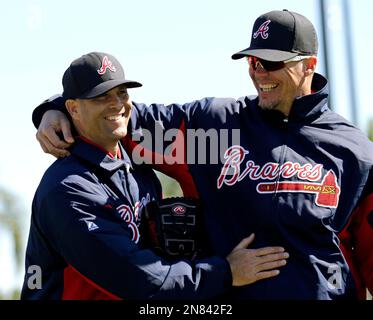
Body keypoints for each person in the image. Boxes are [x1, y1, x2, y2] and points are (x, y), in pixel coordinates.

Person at [32, 9, 373, 299]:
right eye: (253, 61)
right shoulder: (212, 129)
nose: (259, 73)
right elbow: (118, 117)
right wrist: (56, 108)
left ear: (308, 65)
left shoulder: (352, 152)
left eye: (272, 63)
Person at [22, 52, 289, 300]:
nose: (117, 104)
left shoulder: (137, 166)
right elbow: (135, 278)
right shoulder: (68, 188)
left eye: (122, 93)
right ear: (73, 108)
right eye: (101, 96)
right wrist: (226, 271)